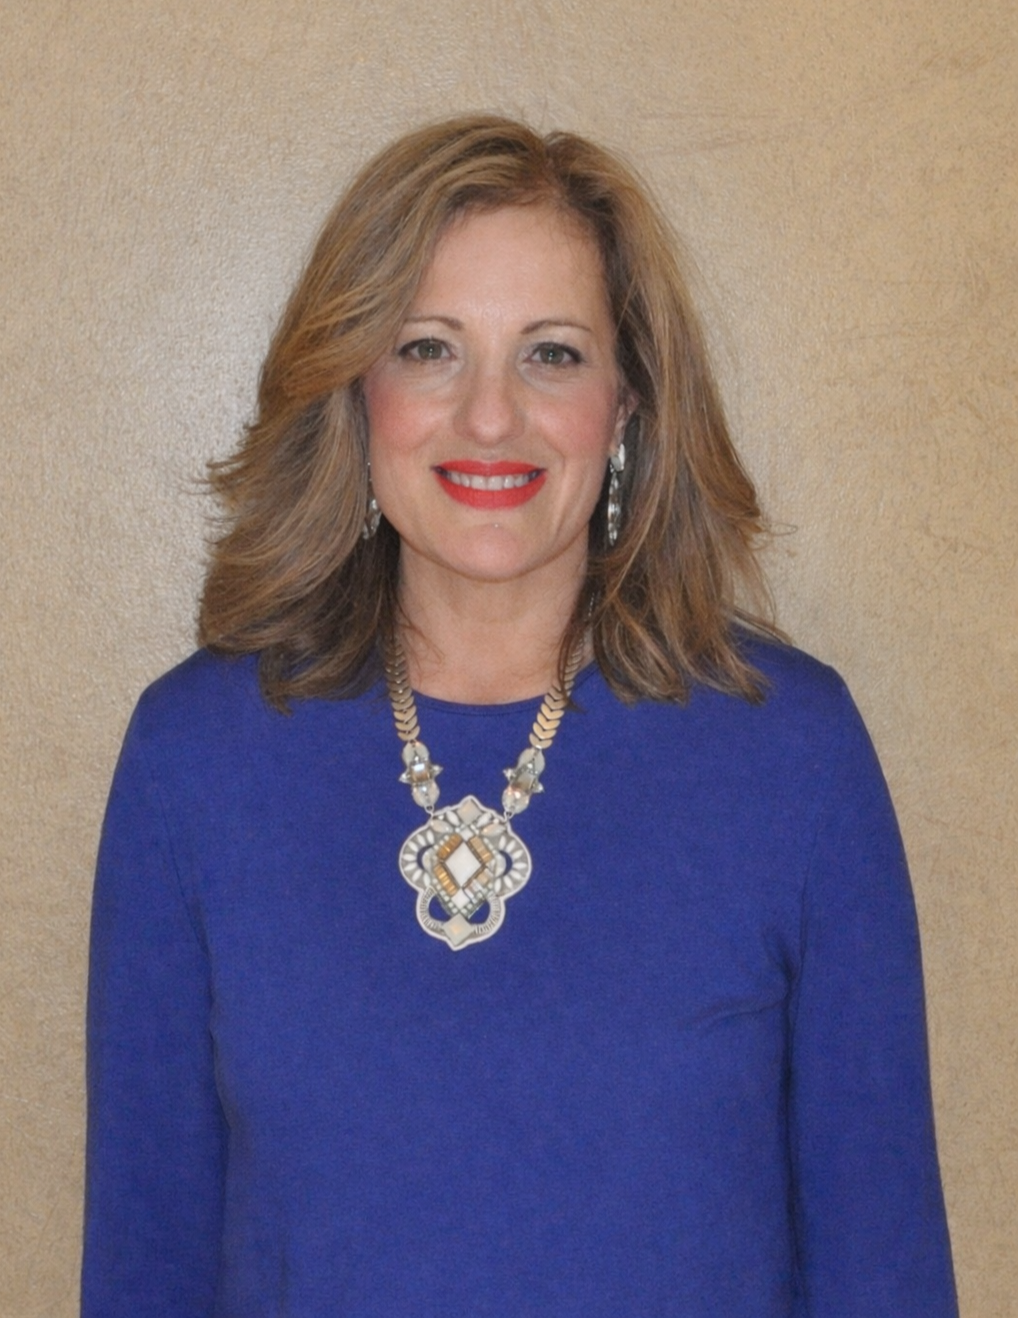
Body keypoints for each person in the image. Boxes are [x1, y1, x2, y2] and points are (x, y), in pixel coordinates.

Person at [83, 115, 957, 1316]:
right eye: (429, 348)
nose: (489, 417)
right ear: (354, 391)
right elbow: (147, 1259)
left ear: (629, 405)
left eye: (550, 354)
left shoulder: (791, 754)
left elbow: (884, 1267)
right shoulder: (194, 760)